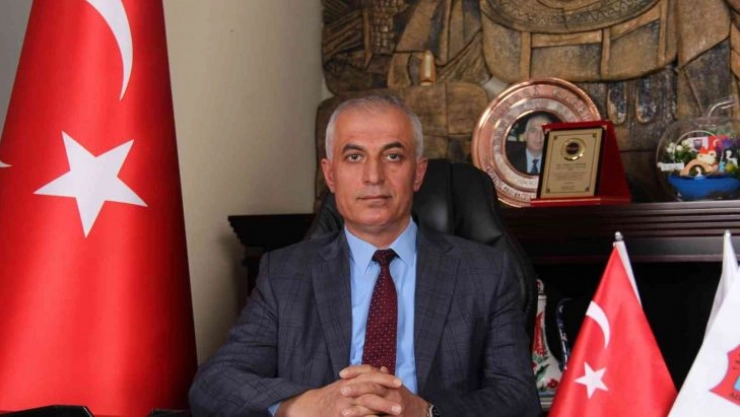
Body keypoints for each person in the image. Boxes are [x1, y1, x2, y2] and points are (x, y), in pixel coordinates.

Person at [189, 94, 540, 417]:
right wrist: (306, 405)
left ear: (418, 173)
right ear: (330, 174)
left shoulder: (485, 271)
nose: (373, 177)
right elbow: (214, 384)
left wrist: (426, 412)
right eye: (354, 157)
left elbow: (518, 397)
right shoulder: (285, 274)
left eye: (393, 156)